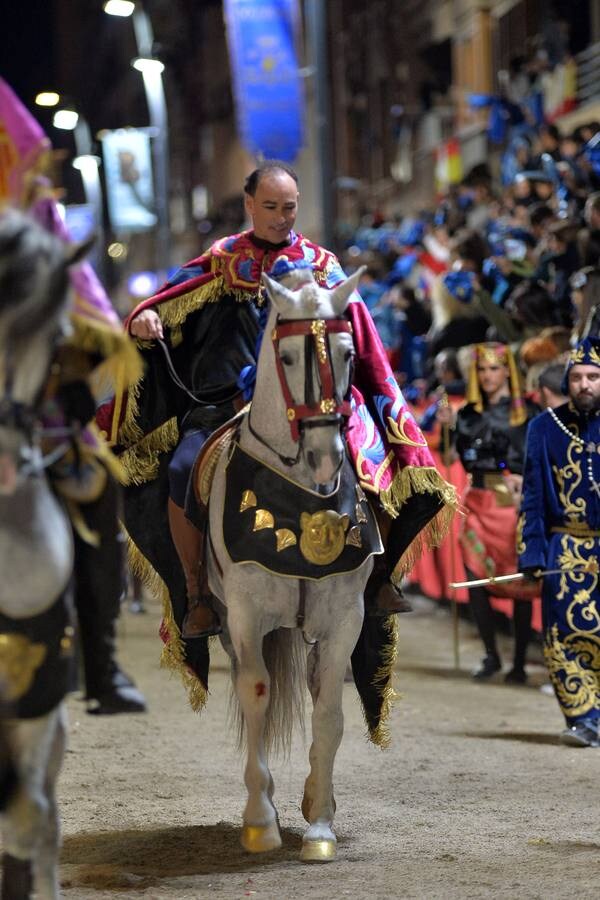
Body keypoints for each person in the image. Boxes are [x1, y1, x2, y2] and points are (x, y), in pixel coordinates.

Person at [99, 159, 457, 712]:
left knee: (377, 463)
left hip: (316, 403)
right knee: (178, 469)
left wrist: (379, 406)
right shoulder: (222, 261)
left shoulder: (321, 266)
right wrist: (146, 320)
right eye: (270, 207)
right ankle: (198, 593)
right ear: (250, 205)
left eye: (288, 208)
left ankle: (378, 575)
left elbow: (362, 340)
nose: (280, 217)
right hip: (224, 403)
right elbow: (164, 303)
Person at [0, 77, 146, 715]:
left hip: (36, 402)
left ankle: (101, 664)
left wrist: (69, 376)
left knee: (96, 486)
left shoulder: (39, 224)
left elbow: (83, 314)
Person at [438, 342, 539, 682]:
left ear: (506, 371)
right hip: (476, 496)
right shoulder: (466, 413)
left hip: (508, 500)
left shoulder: (524, 412)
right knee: (475, 580)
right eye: (482, 369)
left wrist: (522, 480)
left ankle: (520, 663)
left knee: (518, 581)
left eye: (494, 368)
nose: (487, 375)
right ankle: (491, 655)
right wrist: (446, 426)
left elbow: (533, 458)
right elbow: (451, 457)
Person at [519, 337, 600, 747]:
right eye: (577, 377)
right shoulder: (543, 428)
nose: (584, 384)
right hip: (565, 551)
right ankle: (584, 718)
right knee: (565, 636)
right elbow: (532, 499)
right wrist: (531, 552)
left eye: (593, 376)